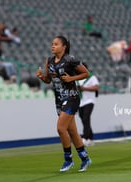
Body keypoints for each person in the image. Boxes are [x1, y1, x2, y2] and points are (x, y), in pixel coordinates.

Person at [36, 35, 92, 172]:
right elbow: (48, 80)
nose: (53, 46)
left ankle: (68, 160)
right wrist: (42, 77)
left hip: (72, 97)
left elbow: (86, 73)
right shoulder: (49, 61)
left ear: (64, 46)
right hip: (59, 99)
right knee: (72, 132)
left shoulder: (70, 59)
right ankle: (85, 159)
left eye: (56, 44)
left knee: (61, 128)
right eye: (52, 44)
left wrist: (71, 78)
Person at [77, 62, 99, 147]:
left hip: (89, 100)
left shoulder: (91, 77)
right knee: (83, 119)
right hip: (81, 102)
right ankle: (90, 137)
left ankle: (86, 137)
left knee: (86, 118)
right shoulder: (78, 78)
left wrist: (84, 88)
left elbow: (96, 87)